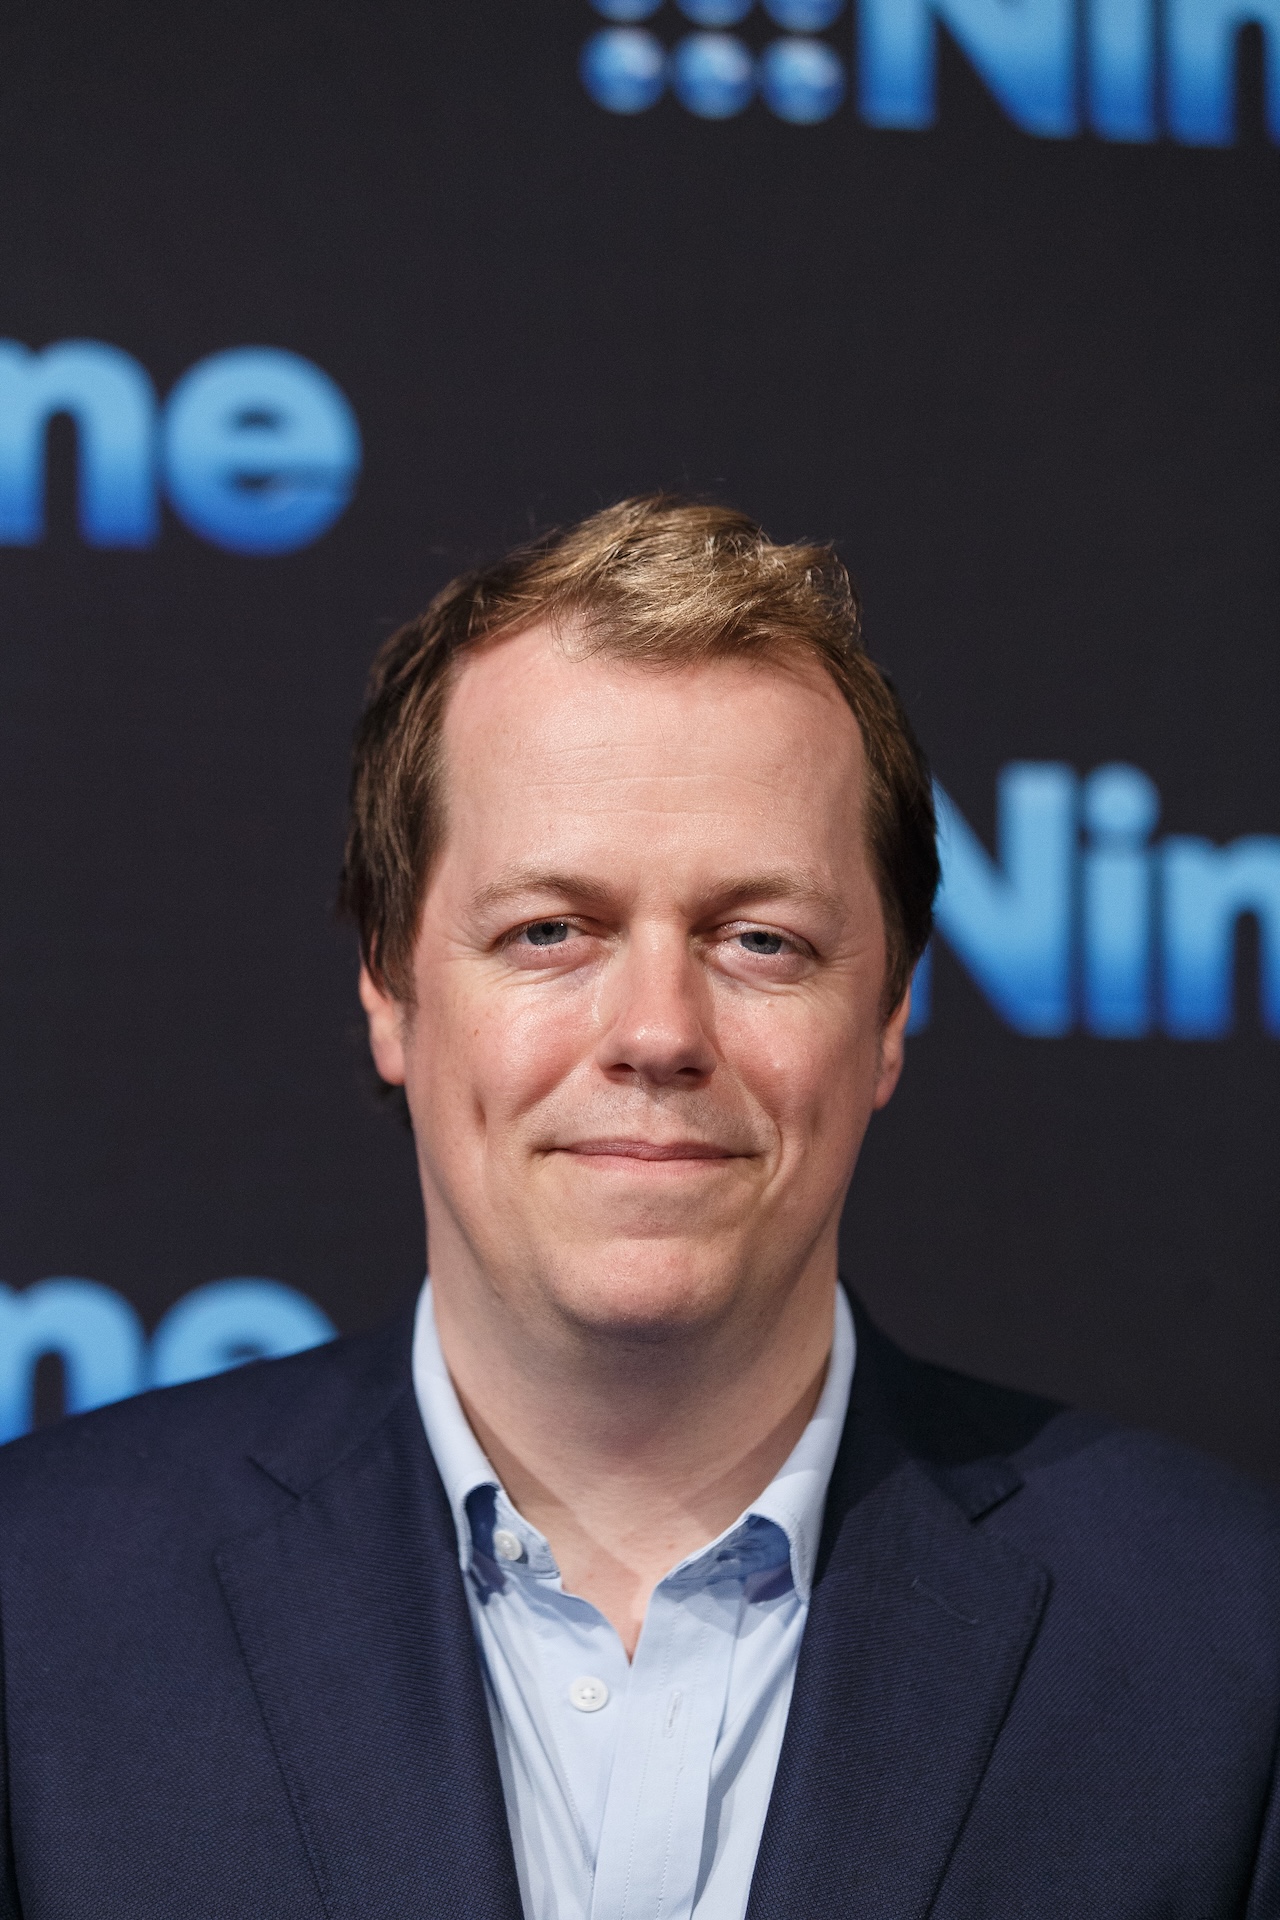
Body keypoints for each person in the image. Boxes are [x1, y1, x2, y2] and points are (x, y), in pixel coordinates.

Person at [0, 498, 1276, 1920]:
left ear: (892, 1014)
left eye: (759, 940)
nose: (657, 1030)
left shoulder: (1225, 1645)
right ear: (389, 985)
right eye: (551, 930)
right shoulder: (37, 1614)